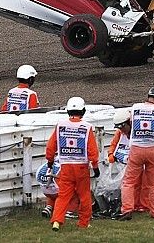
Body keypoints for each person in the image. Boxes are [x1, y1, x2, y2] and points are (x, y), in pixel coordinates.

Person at [118, 86, 154, 221]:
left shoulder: (134, 109)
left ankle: (127, 210)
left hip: (136, 150)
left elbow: (123, 123)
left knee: (129, 182)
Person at [45, 96, 99, 231]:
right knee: (84, 195)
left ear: (68, 110)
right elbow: (92, 149)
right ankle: (84, 223)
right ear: (83, 110)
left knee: (63, 196)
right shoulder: (87, 127)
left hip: (66, 167)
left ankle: (57, 220)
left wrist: (50, 162)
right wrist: (96, 166)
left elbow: (51, 147)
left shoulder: (60, 126)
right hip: (81, 167)